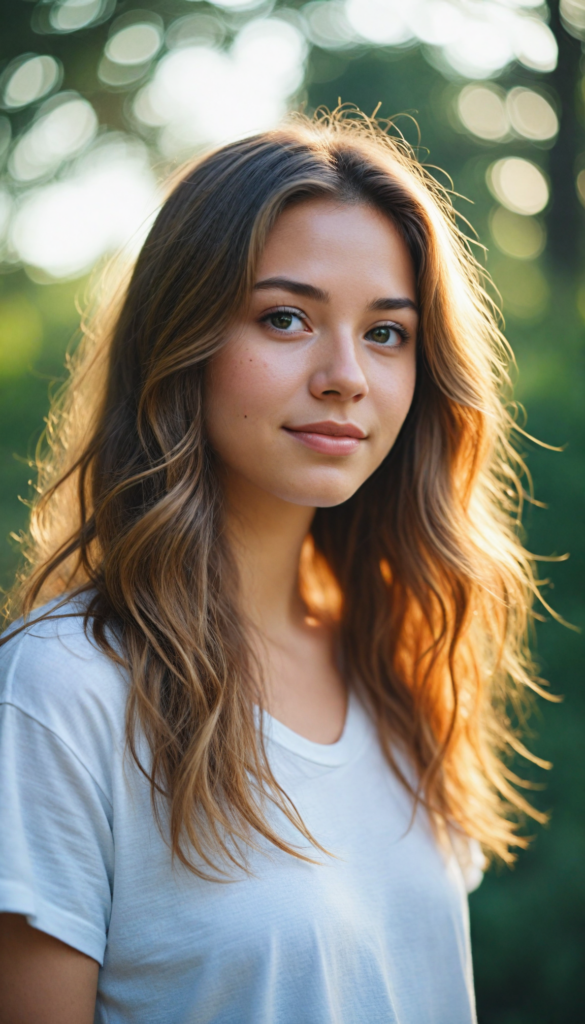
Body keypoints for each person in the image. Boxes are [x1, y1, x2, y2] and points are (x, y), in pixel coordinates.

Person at [0, 111, 546, 1024]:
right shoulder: (61, 691)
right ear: (181, 341)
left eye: (386, 333)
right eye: (285, 318)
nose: (345, 376)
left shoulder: (398, 653)